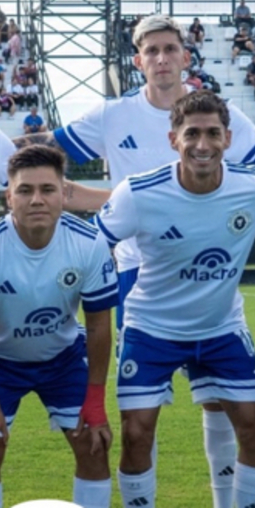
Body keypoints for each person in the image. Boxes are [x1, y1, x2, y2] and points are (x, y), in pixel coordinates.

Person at [18, 14, 255, 508]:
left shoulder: (231, 125)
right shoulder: (115, 120)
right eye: (152, 50)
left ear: (185, 56)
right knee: (139, 427)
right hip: (137, 277)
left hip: (215, 299)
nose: (162, 59)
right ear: (139, 59)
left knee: (227, 408)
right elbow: (46, 154)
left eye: (170, 49)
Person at [96, 92, 255, 508]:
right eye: (192, 134)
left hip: (221, 328)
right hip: (152, 329)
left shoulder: (249, 189)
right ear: (173, 139)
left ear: (228, 138)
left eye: (213, 133)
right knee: (136, 434)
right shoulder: (138, 192)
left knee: (253, 427)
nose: (203, 144)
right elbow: (91, 248)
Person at [0, 145, 118, 508]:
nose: (37, 200)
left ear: (64, 193)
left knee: (94, 444)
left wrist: (95, 399)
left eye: (47, 189)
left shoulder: (89, 243)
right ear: (9, 198)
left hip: (63, 358)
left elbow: (98, 324)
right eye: (25, 190)